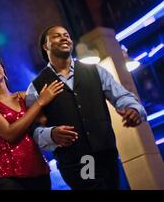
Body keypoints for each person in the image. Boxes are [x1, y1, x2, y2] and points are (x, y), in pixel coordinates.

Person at [25, 25, 147, 190]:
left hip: (107, 155)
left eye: (66, 35)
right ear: (45, 46)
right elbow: (33, 130)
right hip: (79, 162)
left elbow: (122, 96)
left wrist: (133, 109)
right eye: (56, 36)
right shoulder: (36, 87)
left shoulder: (95, 71)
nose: (64, 38)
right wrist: (51, 134)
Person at [0, 53, 64, 190]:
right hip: (7, 178)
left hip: (40, 173)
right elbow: (10, 134)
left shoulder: (24, 96)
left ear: (1, 66)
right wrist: (41, 102)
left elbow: (44, 120)